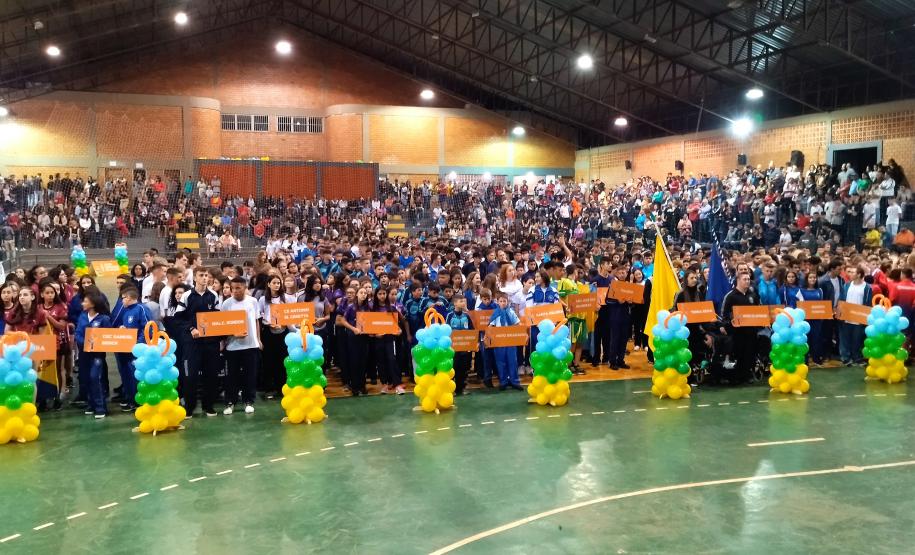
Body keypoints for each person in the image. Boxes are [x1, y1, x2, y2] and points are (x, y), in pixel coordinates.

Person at [179, 267, 222, 418]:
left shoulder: (214, 295)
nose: (204, 278)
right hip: (192, 343)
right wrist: (191, 328)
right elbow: (179, 317)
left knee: (211, 375)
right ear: (195, 278)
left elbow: (218, 318)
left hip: (211, 343)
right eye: (201, 275)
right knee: (190, 376)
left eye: (206, 275)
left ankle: (208, 406)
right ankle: (189, 408)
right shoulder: (187, 295)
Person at [221, 277, 262, 415]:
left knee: (250, 375)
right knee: (231, 376)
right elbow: (223, 325)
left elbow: (256, 321)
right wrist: (232, 334)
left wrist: (258, 339)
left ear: (245, 288)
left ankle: (248, 401)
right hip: (232, 346)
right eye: (232, 288)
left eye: (238, 288)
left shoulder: (253, 302)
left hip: (251, 346)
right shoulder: (226, 304)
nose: (235, 291)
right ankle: (230, 402)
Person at [74, 289, 112, 419]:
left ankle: (101, 407)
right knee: (85, 378)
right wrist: (84, 343)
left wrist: (96, 345)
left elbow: (107, 336)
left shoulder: (104, 319)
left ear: (93, 303)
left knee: (95, 377)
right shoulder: (82, 316)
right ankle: (91, 404)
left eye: (85, 301)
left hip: (97, 355)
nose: (82, 303)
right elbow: (78, 333)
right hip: (84, 354)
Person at [720, 272, 760, 384]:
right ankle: (736, 376)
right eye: (745, 279)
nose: (747, 281)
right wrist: (727, 323)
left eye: (748, 279)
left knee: (750, 352)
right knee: (739, 352)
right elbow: (724, 313)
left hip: (751, 329)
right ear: (738, 280)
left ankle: (747, 374)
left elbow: (758, 310)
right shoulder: (731, 296)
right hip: (737, 331)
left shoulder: (753, 295)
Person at [113, 286, 148, 413]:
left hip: (137, 351)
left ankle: (140, 402)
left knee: (136, 376)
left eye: (123, 298)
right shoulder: (126, 311)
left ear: (129, 298)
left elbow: (147, 327)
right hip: (127, 349)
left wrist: (138, 345)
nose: (122, 301)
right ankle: (131, 400)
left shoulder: (141, 309)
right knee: (128, 375)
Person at [258, 274, 291, 399]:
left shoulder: (285, 298)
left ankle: (281, 387)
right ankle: (268, 389)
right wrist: (268, 323)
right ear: (268, 284)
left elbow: (288, 314)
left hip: (282, 332)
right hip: (268, 332)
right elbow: (260, 315)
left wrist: (282, 324)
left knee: (282, 360)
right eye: (274, 283)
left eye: (278, 283)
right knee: (268, 361)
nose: (277, 285)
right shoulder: (262, 299)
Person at [488, 291, 522, 391]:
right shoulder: (496, 313)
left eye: (505, 301)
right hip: (499, 342)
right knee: (500, 361)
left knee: (512, 361)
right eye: (501, 301)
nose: (503, 303)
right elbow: (491, 325)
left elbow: (517, 324)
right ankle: (503, 381)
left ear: (508, 302)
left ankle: (514, 381)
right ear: (497, 302)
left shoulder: (511, 312)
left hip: (510, 340)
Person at [838, 265, 871, 365]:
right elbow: (841, 299)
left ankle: (857, 357)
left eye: (853, 272)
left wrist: (865, 317)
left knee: (857, 339)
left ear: (859, 274)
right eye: (850, 272)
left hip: (859, 317)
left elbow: (868, 303)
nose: (850, 274)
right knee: (844, 338)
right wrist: (840, 312)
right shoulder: (846, 285)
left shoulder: (867, 287)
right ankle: (845, 357)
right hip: (846, 316)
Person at [446, 295, 473, 396]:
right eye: (461, 301)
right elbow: (446, 330)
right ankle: (452, 389)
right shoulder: (450, 315)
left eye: (464, 301)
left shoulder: (467, 316)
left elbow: (471, 330)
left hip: (465, 347)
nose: (463, 303)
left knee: (464, 368)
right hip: (453, 348)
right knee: (454, 368)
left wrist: (473, 343)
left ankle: (461, 388)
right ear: (455, 303)